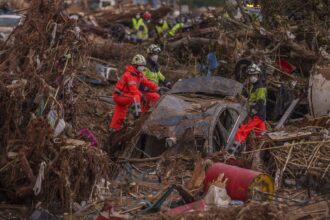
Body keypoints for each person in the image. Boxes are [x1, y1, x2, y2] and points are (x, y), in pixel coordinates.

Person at [108, 54, 159, 132]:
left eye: (143, 66)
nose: (143, 67)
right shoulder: (129, 75)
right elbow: (134, 90)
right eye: (141, 65)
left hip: (126, 95)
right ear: (135, 65)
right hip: (120, 96)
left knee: (120, 113)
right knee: (136, 97)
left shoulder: (139, 74)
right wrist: (142, 96)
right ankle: (137, 116)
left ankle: (113, 128)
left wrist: (157, 88)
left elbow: (147, 82)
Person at [230, 64, 267, 154]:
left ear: (258, 75)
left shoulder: (260, 87)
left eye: (254, 75)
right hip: (259, 115)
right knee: (261, 133)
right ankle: (263, 149)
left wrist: (253, 111)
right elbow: (251, 99)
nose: (252, 77)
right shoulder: (253, 86)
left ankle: (234, 149)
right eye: (250, 76)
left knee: (243, 130)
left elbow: (261, 101)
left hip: (257, 114)